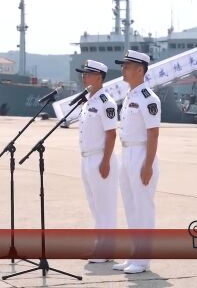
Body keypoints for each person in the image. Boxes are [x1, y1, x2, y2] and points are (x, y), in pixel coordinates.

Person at [112, 50, 161, 274]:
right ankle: (134, 255)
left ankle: (142, 260)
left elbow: (153, 134)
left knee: (143, 208)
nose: (123, 69)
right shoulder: (131, 96)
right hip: (126, 154)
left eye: (127, 66)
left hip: (142, 155)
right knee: (131, 207)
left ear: (140, 69)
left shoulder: (148, 98)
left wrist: (148, 165)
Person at [75, 59, 119, 263]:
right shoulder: (87, 101)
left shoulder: (106, 103)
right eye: (84, 73)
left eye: (89, 74)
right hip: (86, 159)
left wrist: (106, 161)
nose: (84, 77)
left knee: (105, 206)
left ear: (100, 77)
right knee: (94, 205)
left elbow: (111, 134)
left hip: (100, 158)